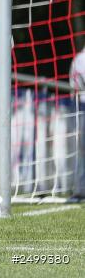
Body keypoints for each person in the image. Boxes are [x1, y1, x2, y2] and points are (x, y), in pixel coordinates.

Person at [68, 45, 85, 203]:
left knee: (80, 150)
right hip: (82, 106)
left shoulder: (77, 59)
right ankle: (80, 188)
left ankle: (80, 188)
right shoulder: (81, 59)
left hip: (78, 106)